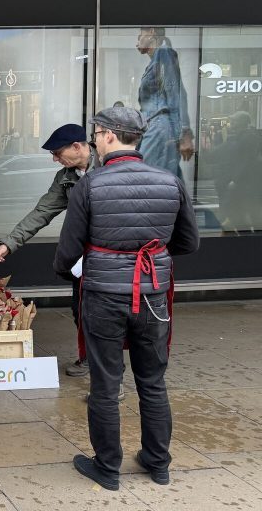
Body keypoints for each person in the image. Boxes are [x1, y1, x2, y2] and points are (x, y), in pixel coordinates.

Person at [54, 107, 199, 491]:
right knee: (152, 381)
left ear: (109, 136)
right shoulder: (170, 181)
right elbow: (189, 242)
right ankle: (158, 463)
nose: (94, 141)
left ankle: (108, 466)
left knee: (105, 383)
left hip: (103, 294)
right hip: (153, 294)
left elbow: (67, 252)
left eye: (97, 134)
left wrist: (69, 269)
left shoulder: (91, 184)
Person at [0, 123, 96, 378]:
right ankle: (90, 358)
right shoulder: (66, 177)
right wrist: (8, 244)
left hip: (112, 254)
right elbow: (42, 212)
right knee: (81, 308)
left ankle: (110, 372)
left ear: (77, 146)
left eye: (57, 153)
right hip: (83, 255)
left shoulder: (110, 166)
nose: (54, 159)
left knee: (105, 313)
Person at [136, 27, 195, 177]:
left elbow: (175, 93)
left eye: (140, 35)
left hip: (159, 127)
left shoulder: (163, 53)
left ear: (152, 32)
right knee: (166, 179)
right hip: (156, 127)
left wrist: (184, 133)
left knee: (147, 176)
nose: (137, 40)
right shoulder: (156, 60)